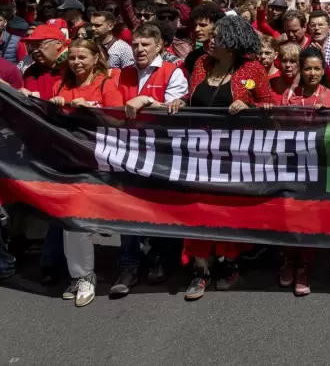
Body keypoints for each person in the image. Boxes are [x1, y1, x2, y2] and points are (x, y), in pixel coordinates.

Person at [169, 16, 276, 301]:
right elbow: (194, 98)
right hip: (199, 153)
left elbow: (270, 104)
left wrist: (249, 104)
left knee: (227, 210)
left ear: (231, 43)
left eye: (217, 37)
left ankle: (229, 262)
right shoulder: (201, 65)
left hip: (234, 156)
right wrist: (181, 101)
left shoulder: (252, 69)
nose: (210, 40)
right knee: (198, 210)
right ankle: (201, 269)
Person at [111, 23, 188, 295]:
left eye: (145, 44)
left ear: (159, 46)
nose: (139, 49)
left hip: (160, 153)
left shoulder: (172, 72)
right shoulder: (122, 73)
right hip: (126, 151)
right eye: (135, 45)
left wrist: (146, 99)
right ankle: (129, 265)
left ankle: (159, 258)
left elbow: (175, 110)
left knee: (157, 207)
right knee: (126, 207)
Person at [48, 38, 125, 307]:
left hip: (98, 163)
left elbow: (118, 120)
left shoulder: (106, 84)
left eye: (82, 57)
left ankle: (85, 276)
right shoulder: (61, 85)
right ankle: (80, 275)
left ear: (95, 58)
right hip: (68, 161)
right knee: (71, 219)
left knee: (79, 218)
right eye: (72, 57)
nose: (77, 62)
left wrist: (91, 109)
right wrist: (52, 105)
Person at [274, 47, 330, 297]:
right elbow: (280, 127)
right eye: (307, 68)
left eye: (317, 68)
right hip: (292, 164)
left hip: (319, 166)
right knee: (289, 213)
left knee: (310, 216)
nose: (312, 73)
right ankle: (288, 259)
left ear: (323, 71)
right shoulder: (289, 95)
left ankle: (304, 266)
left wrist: (328, 117)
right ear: (300, 71)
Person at [19, 24, 71, 101]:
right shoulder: (31, 72)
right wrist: (21, 94)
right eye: (32, 46)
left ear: (59, 44)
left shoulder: (74, 71)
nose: (35, 50)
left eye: (39, 44)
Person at [184, 2, 225, 74]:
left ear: (217, 26)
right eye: (195, 25)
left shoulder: (227, 56)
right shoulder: (192, 58)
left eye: (203, 25)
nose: (197, 29)